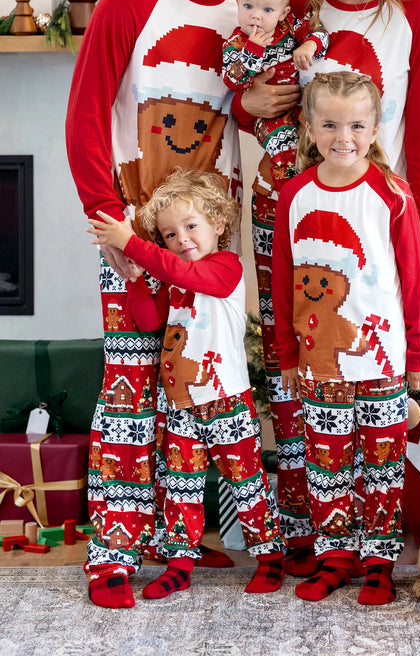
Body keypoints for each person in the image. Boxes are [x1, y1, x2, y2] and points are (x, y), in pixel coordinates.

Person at [234, 0, 420, 569]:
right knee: (297, 357)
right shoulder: (300, 11)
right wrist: (250, 102)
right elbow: (253, 99)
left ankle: (375, 534)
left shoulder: (415, 13)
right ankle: (306, 524)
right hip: (291, 209)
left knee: (369, 358)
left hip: (377, 215)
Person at [66, 0, 242, 608]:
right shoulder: (130, 3)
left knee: (192, 395)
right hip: (132, 237)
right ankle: (110, 552)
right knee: (131, 391)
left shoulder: (250, 13)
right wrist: (106, 222)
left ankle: (178, 540)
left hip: (208, 250)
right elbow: (83, 115)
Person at [272, 72, 420, 604]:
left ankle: (379, 561)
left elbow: (414, 279)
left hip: (383, 360)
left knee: (383, 464)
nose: (344, 136)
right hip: (318, 363)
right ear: (311, 127)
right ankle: (335, 555)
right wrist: (287, 353)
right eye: (330, 125)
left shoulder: (392, 195)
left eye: (357, 125)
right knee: (326, 458)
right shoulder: (293, 194)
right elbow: (280, 281)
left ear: (374, 127)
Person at [87, 169, 286, 599]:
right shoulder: (173, 280)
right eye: (170, 235)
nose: (182, 239)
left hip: (226, 401)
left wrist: (131, 243)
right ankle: (180, 562)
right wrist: (138, 278)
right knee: (181, 488)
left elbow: (190, 276)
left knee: (246, 483)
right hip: (179, 405)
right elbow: (149, 320)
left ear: (218, 224)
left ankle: (270, 557)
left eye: (191, 226)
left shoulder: (225, 268)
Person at [222, 0, 328, 193]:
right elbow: (233, 81)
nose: (256, 16)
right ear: (237, 3)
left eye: (267, 10)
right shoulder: (236, 43)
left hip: (299, 106)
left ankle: (319, 187)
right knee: (281, 145)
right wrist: (252, 51)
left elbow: (320, 33)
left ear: (284, 13)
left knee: (317, 142)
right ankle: (288, 192)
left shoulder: (289, 27)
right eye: (248, 6)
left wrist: (309, 45)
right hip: (268, 117)